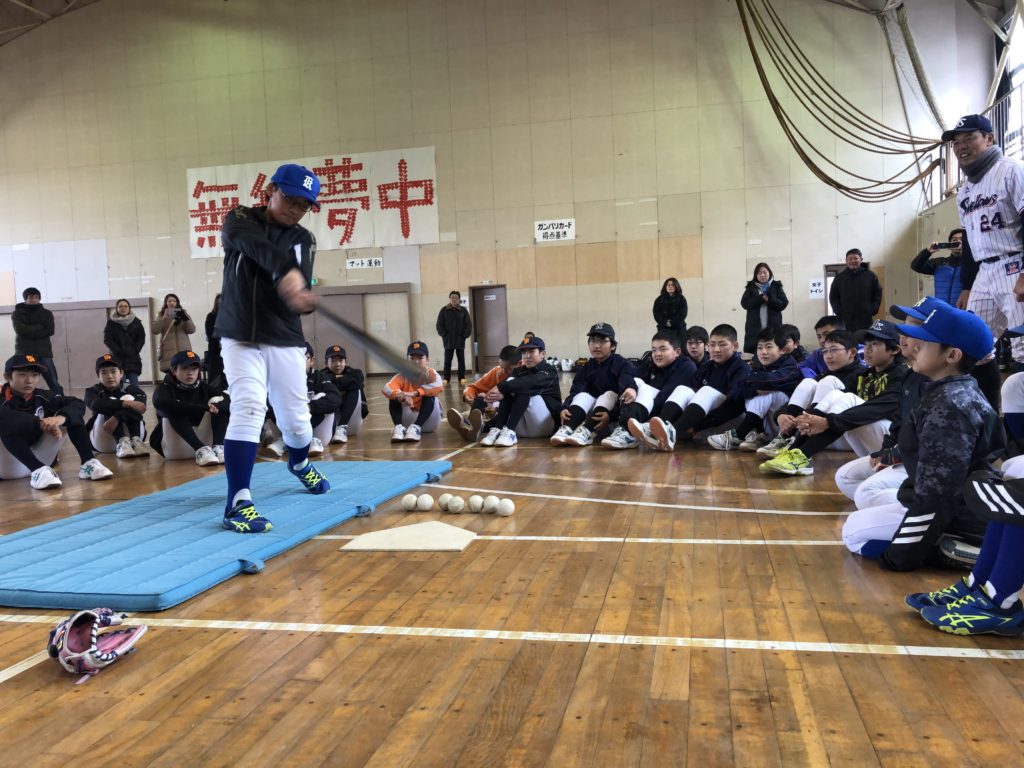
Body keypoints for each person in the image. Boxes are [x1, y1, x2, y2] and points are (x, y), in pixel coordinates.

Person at [841, 304, 1000, 577]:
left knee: (854, 532)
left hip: (961, 515)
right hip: (955, 502)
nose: (914, 347)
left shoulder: (950, 407)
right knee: (865, 504)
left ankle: (974, 551)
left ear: (952, 355)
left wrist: (901, 556)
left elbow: (938, 495)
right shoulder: (948, 390)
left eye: (924, 344)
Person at [215, 163, 330, 534]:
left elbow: (298, 283)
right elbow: (250, 244)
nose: (296, 209)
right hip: (239, 334)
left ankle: (299, 463)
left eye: (304, 205)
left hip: (283, 336)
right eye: (290, 199)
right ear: (270, 191)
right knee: (248, 405)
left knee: (296, 423)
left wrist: (300, 296)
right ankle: (238, 502)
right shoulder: (239, 218)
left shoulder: (303, 238)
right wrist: (286, 271)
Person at [760, 320, 908, 477]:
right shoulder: (865, 375)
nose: (867, 349)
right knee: (837, 395)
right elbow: (835, 400)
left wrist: (827, 422)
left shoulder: (902, 375)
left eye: (875, 344)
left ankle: (802, 454)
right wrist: (802, 418)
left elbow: (878, 408)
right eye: (866, 344)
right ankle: (794, 452)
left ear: (895, 349)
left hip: (894, 443)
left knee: (847, 398)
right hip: (870, 442)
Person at [0, 354, 112, 488]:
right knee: (6, 425)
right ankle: (37, 470)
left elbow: (77, 403)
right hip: (6, 466)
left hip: (43, 463)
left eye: (34, 375)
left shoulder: (43, 396)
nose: (29, 380)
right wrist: (39, 422)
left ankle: (88, 463)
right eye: (22, 374)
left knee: (70, 415)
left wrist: (60, 418)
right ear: (7, 376)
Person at [756, 328, 868, 459]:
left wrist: (809, 419)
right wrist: (781, 415)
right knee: (808, 382)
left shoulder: (863, 375)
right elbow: (795, 399)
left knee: (828, 381)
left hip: (843, 435)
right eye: (824, 351)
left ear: (852, 352)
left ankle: (797, 445)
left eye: (833, 350)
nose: (828, 356)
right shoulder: (824, 375)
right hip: (813, 435)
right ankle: (786, 438)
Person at [646, 324, 751, 452]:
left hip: (728, 422)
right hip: (697, 423)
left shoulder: (742, 369)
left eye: (722, 344)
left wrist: (697, 426)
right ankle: (659, 428)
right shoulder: (706, 367)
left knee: (706, 390)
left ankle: (673, 432)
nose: (716, 349)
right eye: (712, 345)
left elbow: (733, 407)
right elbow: (690, 393)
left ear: (735, 346)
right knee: (683, 389)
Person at [707, 327, 803, 452]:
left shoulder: (790, 365)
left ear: (781, 350)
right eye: (760, 348)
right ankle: (760, 436)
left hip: (788, 424)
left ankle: (739, 435)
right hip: (769, 424)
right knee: (753, 392)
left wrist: (750, 382)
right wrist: (753, 389)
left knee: (767, 393)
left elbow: (770, 381)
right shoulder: (759, 367)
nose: (764, 352)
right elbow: (737, 389)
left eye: (769, 347)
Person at [604, 330, 698, 450]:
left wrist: (645, 420)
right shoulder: (651, 364)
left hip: (672, 417)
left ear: (677, 352)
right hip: (651, 411)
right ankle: (624, 430)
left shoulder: (686, 366)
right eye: (654, 350)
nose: (657, 354)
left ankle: (628, 432)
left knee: (645, 388)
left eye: (663, 349)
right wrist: (631, 389)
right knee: (636, 383)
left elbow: (665, 396)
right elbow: (628, 374)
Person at [550, 323, 637, 447]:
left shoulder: (622, 364)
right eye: (593, 341)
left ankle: (587, 431)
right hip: (591, 416)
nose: (596, 345)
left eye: (602, 341)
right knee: (583, 395)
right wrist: (564, 407)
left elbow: (627, 393)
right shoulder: (586, 368)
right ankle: (568, 428)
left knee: (609, 394)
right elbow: (575, 392)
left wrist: (611, 415)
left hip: (614, 419)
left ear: (613, 345)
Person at [479, 336, 563, 447]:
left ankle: (508, 430)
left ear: (542, 354)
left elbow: (531, 382)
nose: (527, 356)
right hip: (521, 427)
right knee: (508, 390)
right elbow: (508, 386)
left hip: (546, 426)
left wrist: (500, 386)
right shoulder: (518, 371)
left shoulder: (549, 370)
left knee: (522, 387)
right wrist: (495, 396)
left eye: (531, 351)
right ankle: (498, 429)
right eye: (523, 352)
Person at [150, 350, 229, 466]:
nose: (190, 373)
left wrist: (216, 407)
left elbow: (228, 400)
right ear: (173, 370)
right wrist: (203, 408)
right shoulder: (164, 388)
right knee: (174, 407)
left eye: (194, 369)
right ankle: (200, 449)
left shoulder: (203, 387)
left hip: (207, 446)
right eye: (184, 368)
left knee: (218, 401)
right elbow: (160, 403)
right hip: (176, 448)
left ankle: (218, 447)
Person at [264, 343, 340, 457]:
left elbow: (336, 399)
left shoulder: (319, 377)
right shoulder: (283, 378)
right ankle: (287, 439)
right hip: (287, 429)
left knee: (322, 396)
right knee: (274, 398)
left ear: (311, 360)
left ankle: (310, 440)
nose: (297, 361)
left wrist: (308, 407)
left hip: (318, 432)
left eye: (303, 357)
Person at [447, 345, 518, 442]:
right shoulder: (497, 372)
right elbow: (473, 387)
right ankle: (472, 428)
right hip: (496, 408)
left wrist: (497, 408)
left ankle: (472, 427)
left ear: (519, 364)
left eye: (508, 368)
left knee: (503, 417)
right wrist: (468, 396)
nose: (503, 371)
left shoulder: (525, 375)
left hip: (511, 412)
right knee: (481, 397)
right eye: (502, 367)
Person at [84, 354, 149, 459]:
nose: (109, 376)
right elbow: (95, 405)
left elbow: (141, 407)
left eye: (113, 371)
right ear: (98, 376)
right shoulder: (92, 391)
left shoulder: (132, 388)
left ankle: (136, 441)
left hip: (132, 436)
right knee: (111, 401)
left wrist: (117, 417)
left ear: (121, 373)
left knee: (128, 398)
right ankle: (121, 442)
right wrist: (124, 403)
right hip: (104, 439)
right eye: (104, 372)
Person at [384, 341, 444, 442]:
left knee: (430, 394)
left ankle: (417, 427)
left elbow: (439, 385)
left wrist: (412, 393)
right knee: (394, 395)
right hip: (408, 422)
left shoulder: (431, 374)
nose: (416, 362)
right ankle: (399, 428)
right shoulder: (402, 376)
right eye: (412, 358)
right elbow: (387, 388)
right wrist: (401, 396)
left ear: (427, 360)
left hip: (430, 421)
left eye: (420, 358)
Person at [12, 287, 62, 394]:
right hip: (25, 352)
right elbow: (20, 330)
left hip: (43, 353)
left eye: (36, 297)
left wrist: (29, 331)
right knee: (25, 381)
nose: (34, 299)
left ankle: (60, 400)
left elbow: (50, 330)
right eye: (30, 297)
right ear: (25, 299)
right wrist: (39, 327)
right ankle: (24, 402)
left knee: (53, 382)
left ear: (39, 299)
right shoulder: (17, 313)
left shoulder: (47, 313)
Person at [321, 345, 367, 445]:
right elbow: (326, 385)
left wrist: (335, 383)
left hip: (353, 416)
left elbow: (357, 380)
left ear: (346, 362)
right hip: (331, 416)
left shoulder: (356, 372)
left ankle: (341, 428)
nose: (337, 364)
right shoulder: (321, 375)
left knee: (354, 389)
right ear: (326, 363)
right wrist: (346, 383)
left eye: (341, 360)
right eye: (333, 361)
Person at [829, 249, 883, 332]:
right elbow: (833, 297)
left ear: (861, 259)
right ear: (846, 261)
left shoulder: (870, 276)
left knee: (865, 338)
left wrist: (873, 309)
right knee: (847, 339)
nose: (853, 261)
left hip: (865, 318)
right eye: (850, 259)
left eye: (855, 258)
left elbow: (877, 293)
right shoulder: (839, 278)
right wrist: (839, 312)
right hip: (846, 320)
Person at [740, 263, 789, 354]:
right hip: (754, 328)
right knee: (755, 352)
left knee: (773, 351)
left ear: (769, 273)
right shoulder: (751, 287)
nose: (762, 275)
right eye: (759, 273)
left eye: (765, 272)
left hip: (773, 327)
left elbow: (783, 304)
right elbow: (745, 304)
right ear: (756, 275)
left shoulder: (776, 286)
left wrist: (769, 300)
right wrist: (760, 298)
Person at [911, 228, 964, 306]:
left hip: (962, 310)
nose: (958, 242)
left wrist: (966, 253)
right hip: (941, 309)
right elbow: (915, 266)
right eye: (954, 240)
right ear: (949, 245)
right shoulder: (939, 263)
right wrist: (927, 251)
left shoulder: (972, 265)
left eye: (962, 240)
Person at [103, 298, 146, 388]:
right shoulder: (111, 323)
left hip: (132, 357)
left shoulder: (136, 322)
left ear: (129, 308)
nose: (123, 308)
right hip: (118, 357)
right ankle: (121, 397)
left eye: (126, 306)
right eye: (121, 306)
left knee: (134, 383)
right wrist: (117, 351)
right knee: (120, 383)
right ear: (117, 308)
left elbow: (141, 337)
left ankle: (135, 396)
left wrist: (135, 350)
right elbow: (107, 339)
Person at [152, 293, 196, 373]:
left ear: (177, 303)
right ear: (166, 303)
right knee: (170, 374)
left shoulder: (184, 314)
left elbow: (192, 330)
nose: (172, 303)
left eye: (174, 301)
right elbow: (155, 330)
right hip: (168, 352)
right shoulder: (161, 315)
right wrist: (164, 318)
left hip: (183, 350)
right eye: (169, 301)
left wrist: (185, 319)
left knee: (184, 373)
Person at [435, 290, 472, 385]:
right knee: (447, 360)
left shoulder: (463, 311)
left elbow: (468, 325)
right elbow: (439, 325)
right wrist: (444, 335)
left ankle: (461, 377)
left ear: (459, 299)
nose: (454, 299)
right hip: (448, 340)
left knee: (461, 360)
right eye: (452, 297)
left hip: (460, 340)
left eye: (456, 298)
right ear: (449, 298)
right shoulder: (444, 310)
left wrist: (464, 336)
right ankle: (446, 378)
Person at [205, 293, 224, 385]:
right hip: (215, 351)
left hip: (228, 350)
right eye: (219, 303)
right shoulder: (211, 316)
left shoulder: (232, 316)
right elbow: (210, 333)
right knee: (215, 377)